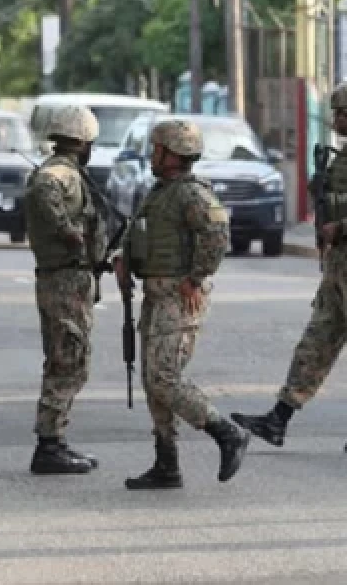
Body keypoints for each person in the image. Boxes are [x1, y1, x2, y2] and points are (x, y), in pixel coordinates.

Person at [231, 81, 347, 454]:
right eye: (336, 112)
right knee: (315, 344)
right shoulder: (344, 157)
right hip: (339, 268)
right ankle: (279, 418)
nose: (339, 118)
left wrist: (343, 227)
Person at [114, 119, 250, 489]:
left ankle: (227, 433)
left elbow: (218, 234)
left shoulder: (191, 193)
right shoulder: (160, 192)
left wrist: (196, 277)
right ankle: (166, 463)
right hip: (156, 296)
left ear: (174, 154)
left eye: (158, 149)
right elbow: (142, 234)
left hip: (179, 297)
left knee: (164, 378)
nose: (152, 155)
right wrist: (125, 259)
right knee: (152, 381)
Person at [24, 105, 106, 475]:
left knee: (69, 358)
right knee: (67, 359)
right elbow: (44, 191)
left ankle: (54, 440)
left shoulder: (71, 173)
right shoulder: (58, 173)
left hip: (72, 278)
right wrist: (66, 229)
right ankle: (49, 444)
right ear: (82, 140)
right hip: (64, 279)